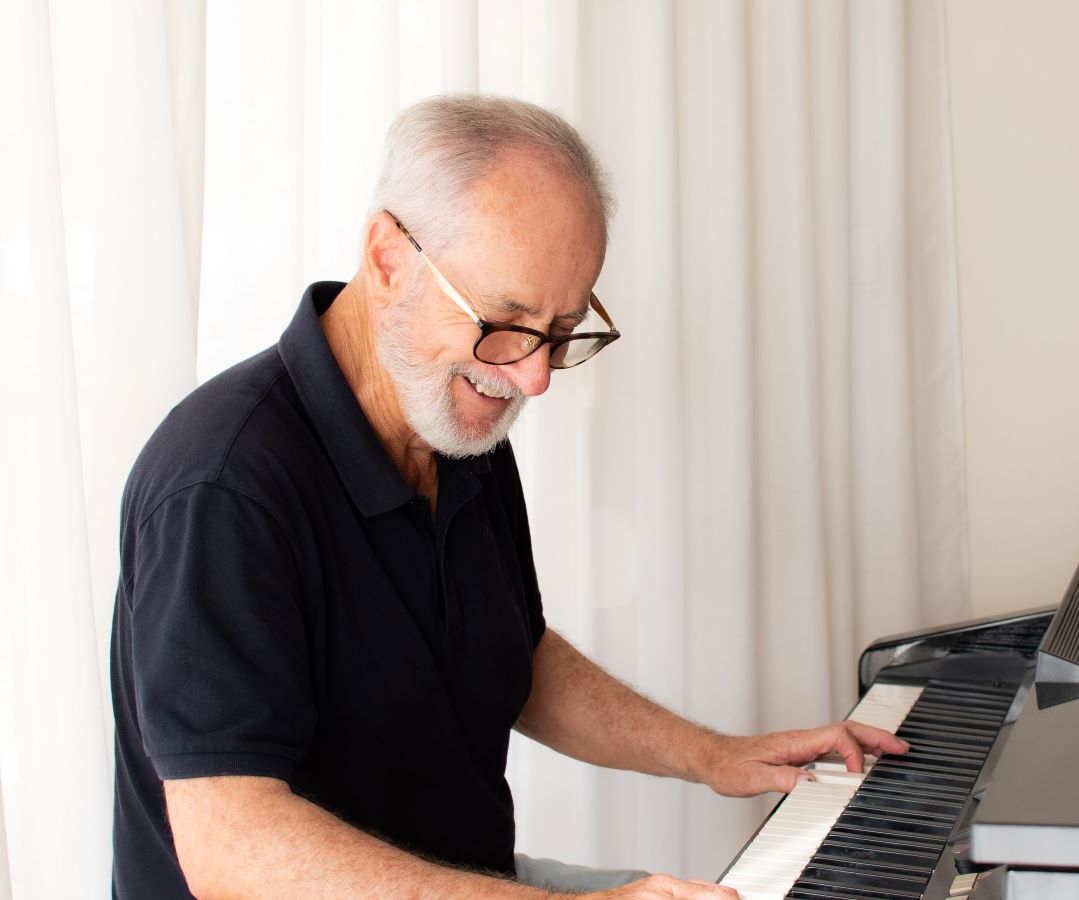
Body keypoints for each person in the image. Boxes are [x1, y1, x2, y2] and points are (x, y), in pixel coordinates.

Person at [110, 94, 907, 899]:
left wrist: (716, 755)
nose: (534, 377)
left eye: (562, 331)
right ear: (389, 260)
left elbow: (510, 653)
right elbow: (229, 847)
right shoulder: (222, 485)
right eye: (506, 320)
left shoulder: (455, 422)